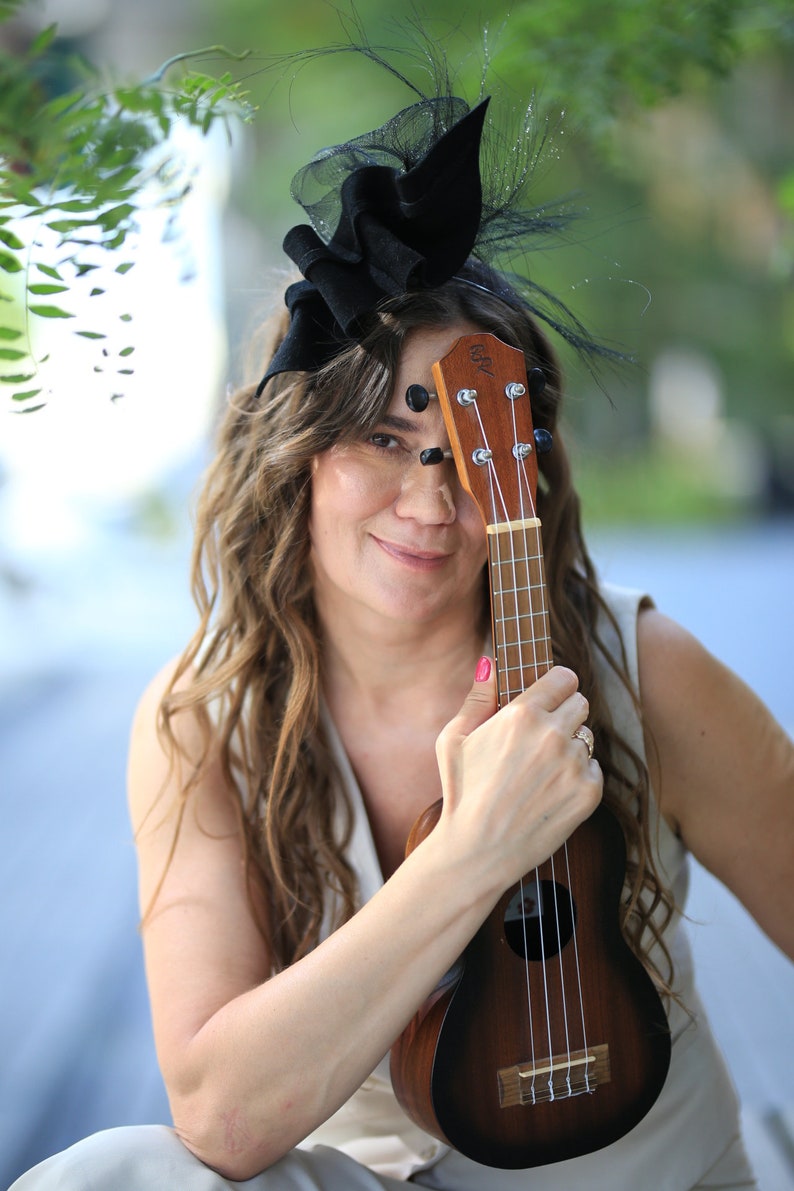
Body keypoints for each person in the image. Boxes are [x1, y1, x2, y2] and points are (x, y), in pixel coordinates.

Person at [13, 51, 793, 1191]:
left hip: (641, 1178)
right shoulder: (203, 724)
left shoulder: (638, 667)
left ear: (517, 466)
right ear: (302, 453)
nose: (430, 503)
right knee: (105, 1176)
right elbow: (221, 1117)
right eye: (384, 439)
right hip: (364, 1177)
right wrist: (475, 852)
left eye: (464, 455)